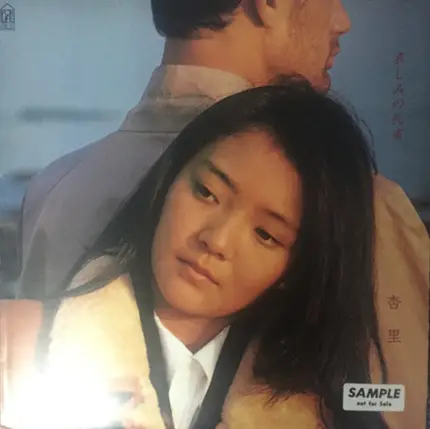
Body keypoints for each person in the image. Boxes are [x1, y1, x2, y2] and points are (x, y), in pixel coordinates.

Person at [14, 1, 429, 428]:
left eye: (266, 234)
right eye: (206, 192)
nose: (343, 21)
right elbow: (399, 407)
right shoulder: (361, 210)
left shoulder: (54, 186)